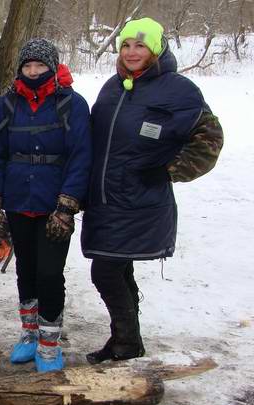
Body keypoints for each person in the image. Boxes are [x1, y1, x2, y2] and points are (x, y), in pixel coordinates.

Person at [81, 18, 223, 364]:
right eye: (127, 45)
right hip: (104, 199)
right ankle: (125, 340)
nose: (132, 52)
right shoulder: (113, 87)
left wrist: (169, 171)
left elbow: (210, 140)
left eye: (140, 46)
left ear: (156, 50)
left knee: (106, 271)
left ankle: (127, 341)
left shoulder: (178, 90)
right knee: (117, 269)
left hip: (140, 200)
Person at [0, 38, 92, 372]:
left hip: (53, 204)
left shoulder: (71, 104)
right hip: (17, 200)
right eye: (27, 66)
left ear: (53, 67)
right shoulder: (8, 104)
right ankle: (29, 333)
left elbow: (81, 156)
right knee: (25, 271)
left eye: (40, 66)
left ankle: (49, 341)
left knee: (48, 274)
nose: (33, 72)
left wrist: (67, 207)